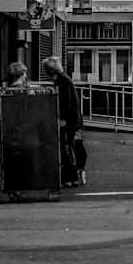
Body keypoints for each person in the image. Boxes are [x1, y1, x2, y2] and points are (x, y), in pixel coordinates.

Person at [42, 56, 83, 187]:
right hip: (72, 119)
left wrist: (62, 119)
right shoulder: (63, 79)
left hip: (68, 120)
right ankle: (71, 178)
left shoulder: (62, 81)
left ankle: (71, 178)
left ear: (50, 71)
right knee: (67, 147)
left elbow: (66, 102)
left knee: (66, 148)